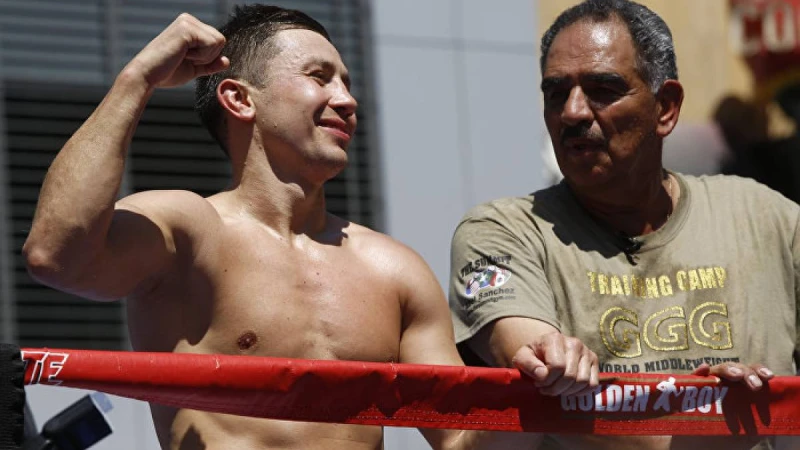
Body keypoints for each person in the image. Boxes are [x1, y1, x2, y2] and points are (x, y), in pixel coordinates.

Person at [21, 5, 535, 450]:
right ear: (240, 99)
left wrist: (536, 384)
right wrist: (137, 79)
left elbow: (461, 437)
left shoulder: (394, 268)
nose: (347, 100)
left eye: (347, 82)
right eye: (319, 76)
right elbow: (55, 256)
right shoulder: (188, 233)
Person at [449, 0, 797, 449]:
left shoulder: (766, 218)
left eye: (602, 89)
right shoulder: (502, 232)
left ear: (665, 108)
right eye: (556, 93)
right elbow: (540, 368)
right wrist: (700, 422)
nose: (573, 112)